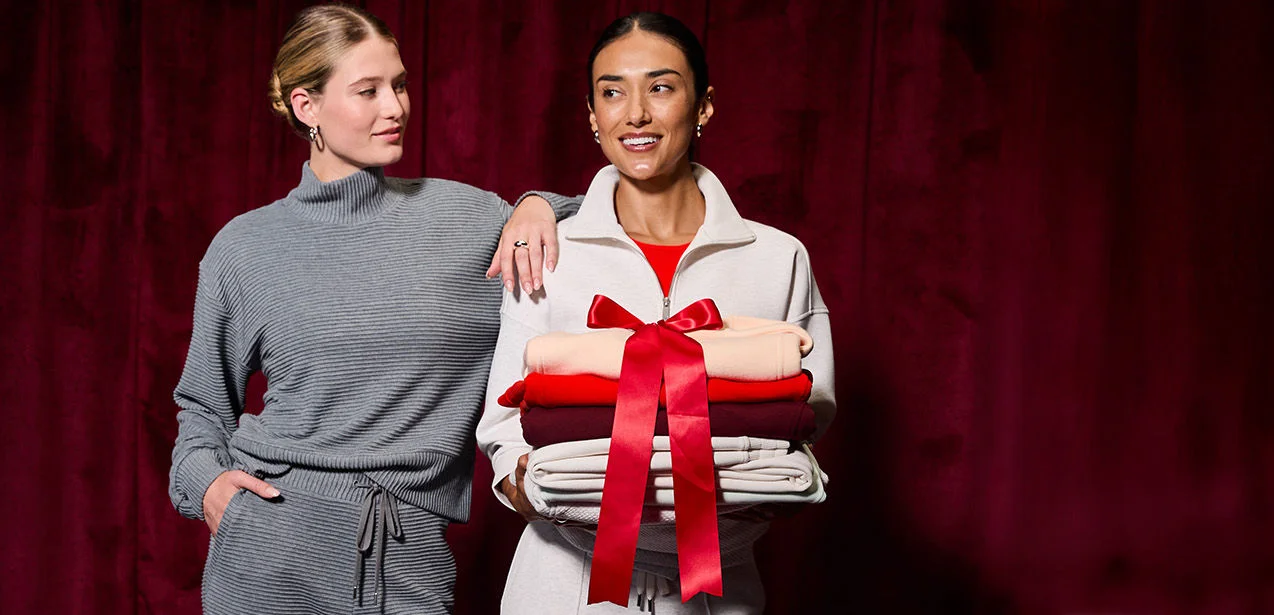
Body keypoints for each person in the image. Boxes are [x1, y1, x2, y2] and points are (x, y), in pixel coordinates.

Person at [167, 5, 578, 613]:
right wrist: (206, 486)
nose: (397, 107)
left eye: (400, 84)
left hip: (405, 548)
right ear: (306, 107)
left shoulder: (466, 219)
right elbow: (201, 407)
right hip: (265, 547)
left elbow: (608, 222)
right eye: (368, 91)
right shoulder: (245, 247)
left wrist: (538, 204)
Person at [478, 12, 835, 614]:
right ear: (592, 115)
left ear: (704, 106)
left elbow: (807, 410)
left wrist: (752, 489)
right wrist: (533, 487)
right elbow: (504, 423)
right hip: (564, 583)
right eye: (612, 92)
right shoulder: (548, 251)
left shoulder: (776, 256)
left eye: (661, 88)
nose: (635, 113)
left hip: (718, 585)